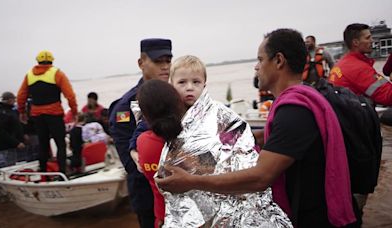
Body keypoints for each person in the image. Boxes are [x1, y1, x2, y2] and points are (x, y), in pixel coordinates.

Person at [156, 29, 359, 227]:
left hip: (315, 218)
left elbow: (260, 178)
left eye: (260, 60)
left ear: (278, 61)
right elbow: (275, 140)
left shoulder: (294, 112)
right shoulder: (300, 99)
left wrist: (191, 181)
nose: (256, 67)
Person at [154, 56, 291, 227]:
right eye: (182, 82)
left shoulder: (220, 115)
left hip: (224, 196)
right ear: (171, 85)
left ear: (204, 84)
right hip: (188, 203)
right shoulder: (170, 117)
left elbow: (241, 145)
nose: (190, 87)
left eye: (196, 82)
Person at [108, 38, 172, 228]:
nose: (165, 67)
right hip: (148, 197)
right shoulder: (125, 108)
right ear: (141, 63)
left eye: (168, 60)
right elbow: (131, 162)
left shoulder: (178, 96)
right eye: (158, 61)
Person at [17, 50, 78, 175]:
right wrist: (74, 111)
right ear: (52, 61)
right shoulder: (57, 73)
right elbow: (70, 96)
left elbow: (20, 96)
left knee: (43, 143)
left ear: (38, 61)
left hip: (38, 116)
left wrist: (21, 112)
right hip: (54, 114)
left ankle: (43, 172)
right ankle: (62, 173)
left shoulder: (29, 76)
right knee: (60, 144)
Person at [136, 80, 185, 228]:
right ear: (178, 105)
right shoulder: (189, 140)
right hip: (194, 218)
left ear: (144, 114)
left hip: (163, 218)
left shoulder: (142, 142)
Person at [329, 23, 392, 106]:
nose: (372, 40)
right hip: (355, 116)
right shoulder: (359, 68)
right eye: (367, 38)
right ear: (356, 42)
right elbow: (388, 96)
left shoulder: (341, 63)